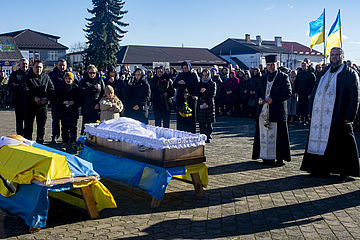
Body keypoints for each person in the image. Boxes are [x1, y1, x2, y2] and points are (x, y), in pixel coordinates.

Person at [300, 47, 360, 182]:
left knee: (343, 145)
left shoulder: (350, 73)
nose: (334, 57)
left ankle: (345, 172)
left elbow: (355, 96)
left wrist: (350, 116)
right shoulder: (324, 72)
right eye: (332, 55)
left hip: (339, 115)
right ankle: (319, 169)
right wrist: (310, 111)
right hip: (320, 116)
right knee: (323, 143)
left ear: (342, 57)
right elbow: (314, 92)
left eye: (337, 55)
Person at [252, 55, 292, 166]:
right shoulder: (263, 77)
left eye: (272, 65)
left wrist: (273, 99)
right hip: (263, 110)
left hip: (277, 111)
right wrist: (259, 98)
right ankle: (266, 157)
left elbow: (288, 93)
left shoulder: (283, 77)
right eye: (268, 65)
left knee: (278, 135)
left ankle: (279, 158)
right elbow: (257, 92)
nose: (270, 67)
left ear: (277, 65)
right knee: (264, 134)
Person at [23, 60, 55, 143]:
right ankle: (27, 142)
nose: (39, 69)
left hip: (42, 106)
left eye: (40, 67)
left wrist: (46, 98)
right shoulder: (27, 77)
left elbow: (51, 89)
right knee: (28, 125)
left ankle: (40, 141)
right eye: (37, 67)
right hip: (30, 105)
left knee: (41, 125)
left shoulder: (46, 77)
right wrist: (34, 97)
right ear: (32, 67)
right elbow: (24, 89)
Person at [173, 61, 199, 133]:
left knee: (190, 119)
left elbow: (197, 87)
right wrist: (178, 82)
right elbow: (174, 84)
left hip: (191, 99)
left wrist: (190, 94)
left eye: (186, 68)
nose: (185, 70)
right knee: (181, 118)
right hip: (181, 100)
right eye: (183, 68)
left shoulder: (194, 75)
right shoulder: (180, 75)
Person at [48, 59, 69, 143]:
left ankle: (65, 137)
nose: (62, 67)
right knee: (56, 121)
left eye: (64, 65)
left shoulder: (69, 74)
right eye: (60, 65)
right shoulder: (52, 75)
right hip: (55, 101)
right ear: (57, 65)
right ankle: (55, 136)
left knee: (65, 121)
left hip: (66, 102)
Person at [58, 72, 80, 152]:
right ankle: (65, 142)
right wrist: (63, 102)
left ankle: (73, 141)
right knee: (64, 127)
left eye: (70, 78)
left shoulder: (76, 87)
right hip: (64, 111)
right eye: (66, 78)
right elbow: (57, 98)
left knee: (73, 127)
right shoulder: (61, 87)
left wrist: (73, 102)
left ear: (72, 79)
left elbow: (79, 99)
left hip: (73, 111)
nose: (68, 80)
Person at [80, 65, 105, 133]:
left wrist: (99, 103)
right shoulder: (83, 81)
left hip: (96, 107)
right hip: (87, 106)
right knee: (86, 126)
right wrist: (92, 87)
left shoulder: (100, 81)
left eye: (94, 73)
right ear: (88, 72)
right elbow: (82, 91)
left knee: (96, 126)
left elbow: (103, 93)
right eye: (90, 73)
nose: (92, 74)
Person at [8, 58, 29, 135]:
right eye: (23, 64)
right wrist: (21, 87)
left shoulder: (30, 74)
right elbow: (11, 85)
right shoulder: (14, 74)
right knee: (19, 121)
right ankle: (19, 136)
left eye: (26, 64)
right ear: (19, 65)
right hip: (18, 101)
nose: (25, 65)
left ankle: (27, 137)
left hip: (29, 101)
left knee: (28, 121)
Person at [197, 69, 216, 143]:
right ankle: (202, 136)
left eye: (206, 75)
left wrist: (206, 102)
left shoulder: (212, 83)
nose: (204, 77)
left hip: (209, 104)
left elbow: (212, 94)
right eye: (203, 75)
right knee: (201, 122)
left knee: (209, 122)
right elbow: (196, 93)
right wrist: (200, 92)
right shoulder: (199, 83)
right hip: (201, 104)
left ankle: (208, 136)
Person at [294, 61, 316, 125]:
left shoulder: (311, 74)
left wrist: (310, 94)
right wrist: (296, 92)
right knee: (300, 106)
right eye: (302, 65)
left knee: (307, 107)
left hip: (307, 94)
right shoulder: (299, 74)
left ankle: (307, 119)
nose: (303, 67)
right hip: (301, 93)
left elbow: (313, 85)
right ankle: (301, 119)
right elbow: (296, 83)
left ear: (307, 66)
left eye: (304, 65)